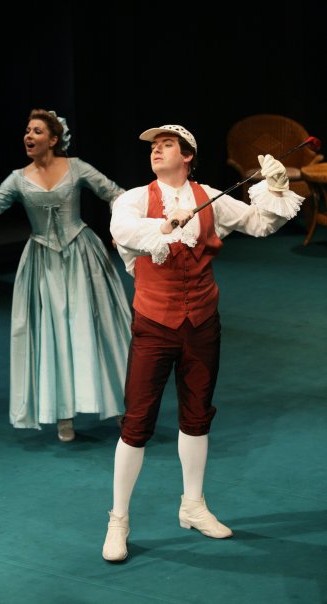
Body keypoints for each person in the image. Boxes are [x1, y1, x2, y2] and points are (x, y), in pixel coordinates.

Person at [102, 123, 304, 561]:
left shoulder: (210, 197)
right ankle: (118, 519)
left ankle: (192, 506)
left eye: (167, 144)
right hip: (154, 323)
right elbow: (124, 230)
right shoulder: (134, 199)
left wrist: (275, 186)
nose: (156, 150)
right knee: (136, 422)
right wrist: (164, 224)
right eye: (153, 146)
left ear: (188, 155)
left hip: (202, 323)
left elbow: (260, 224)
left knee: (196, 416)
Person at [0, 108, 131, 442]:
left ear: (54, 139)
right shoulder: (18, 178)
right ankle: (63, 414)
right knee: (53, 332)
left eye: (37, 131)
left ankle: (120, 406)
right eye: (27, 130)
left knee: (96, 327)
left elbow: (116, 194)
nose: (29, 136)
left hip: (82, 254)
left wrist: (122, 230)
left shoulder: (77, 167)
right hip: (43, 260)